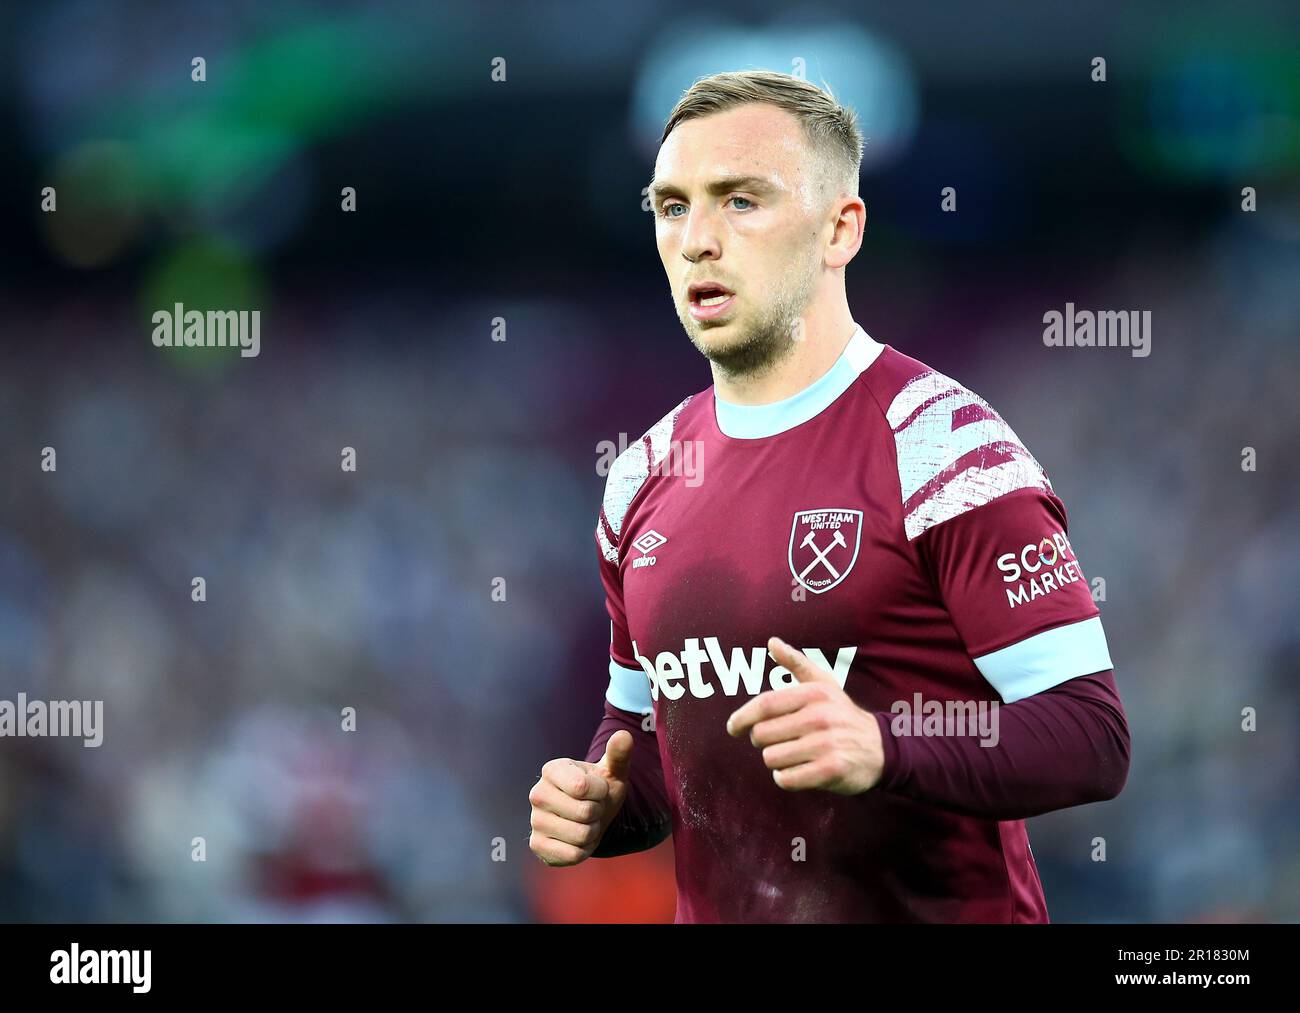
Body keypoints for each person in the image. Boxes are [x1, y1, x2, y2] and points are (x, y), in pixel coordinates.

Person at [528, 69, 1129, 922]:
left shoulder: (945, 447)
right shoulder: (641, 476)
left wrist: (886, 746)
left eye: (741, 201)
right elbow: (655, 747)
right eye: (672, 206)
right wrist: (599, 803)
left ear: (840, 229)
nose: (698, 238)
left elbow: (1091, 737)